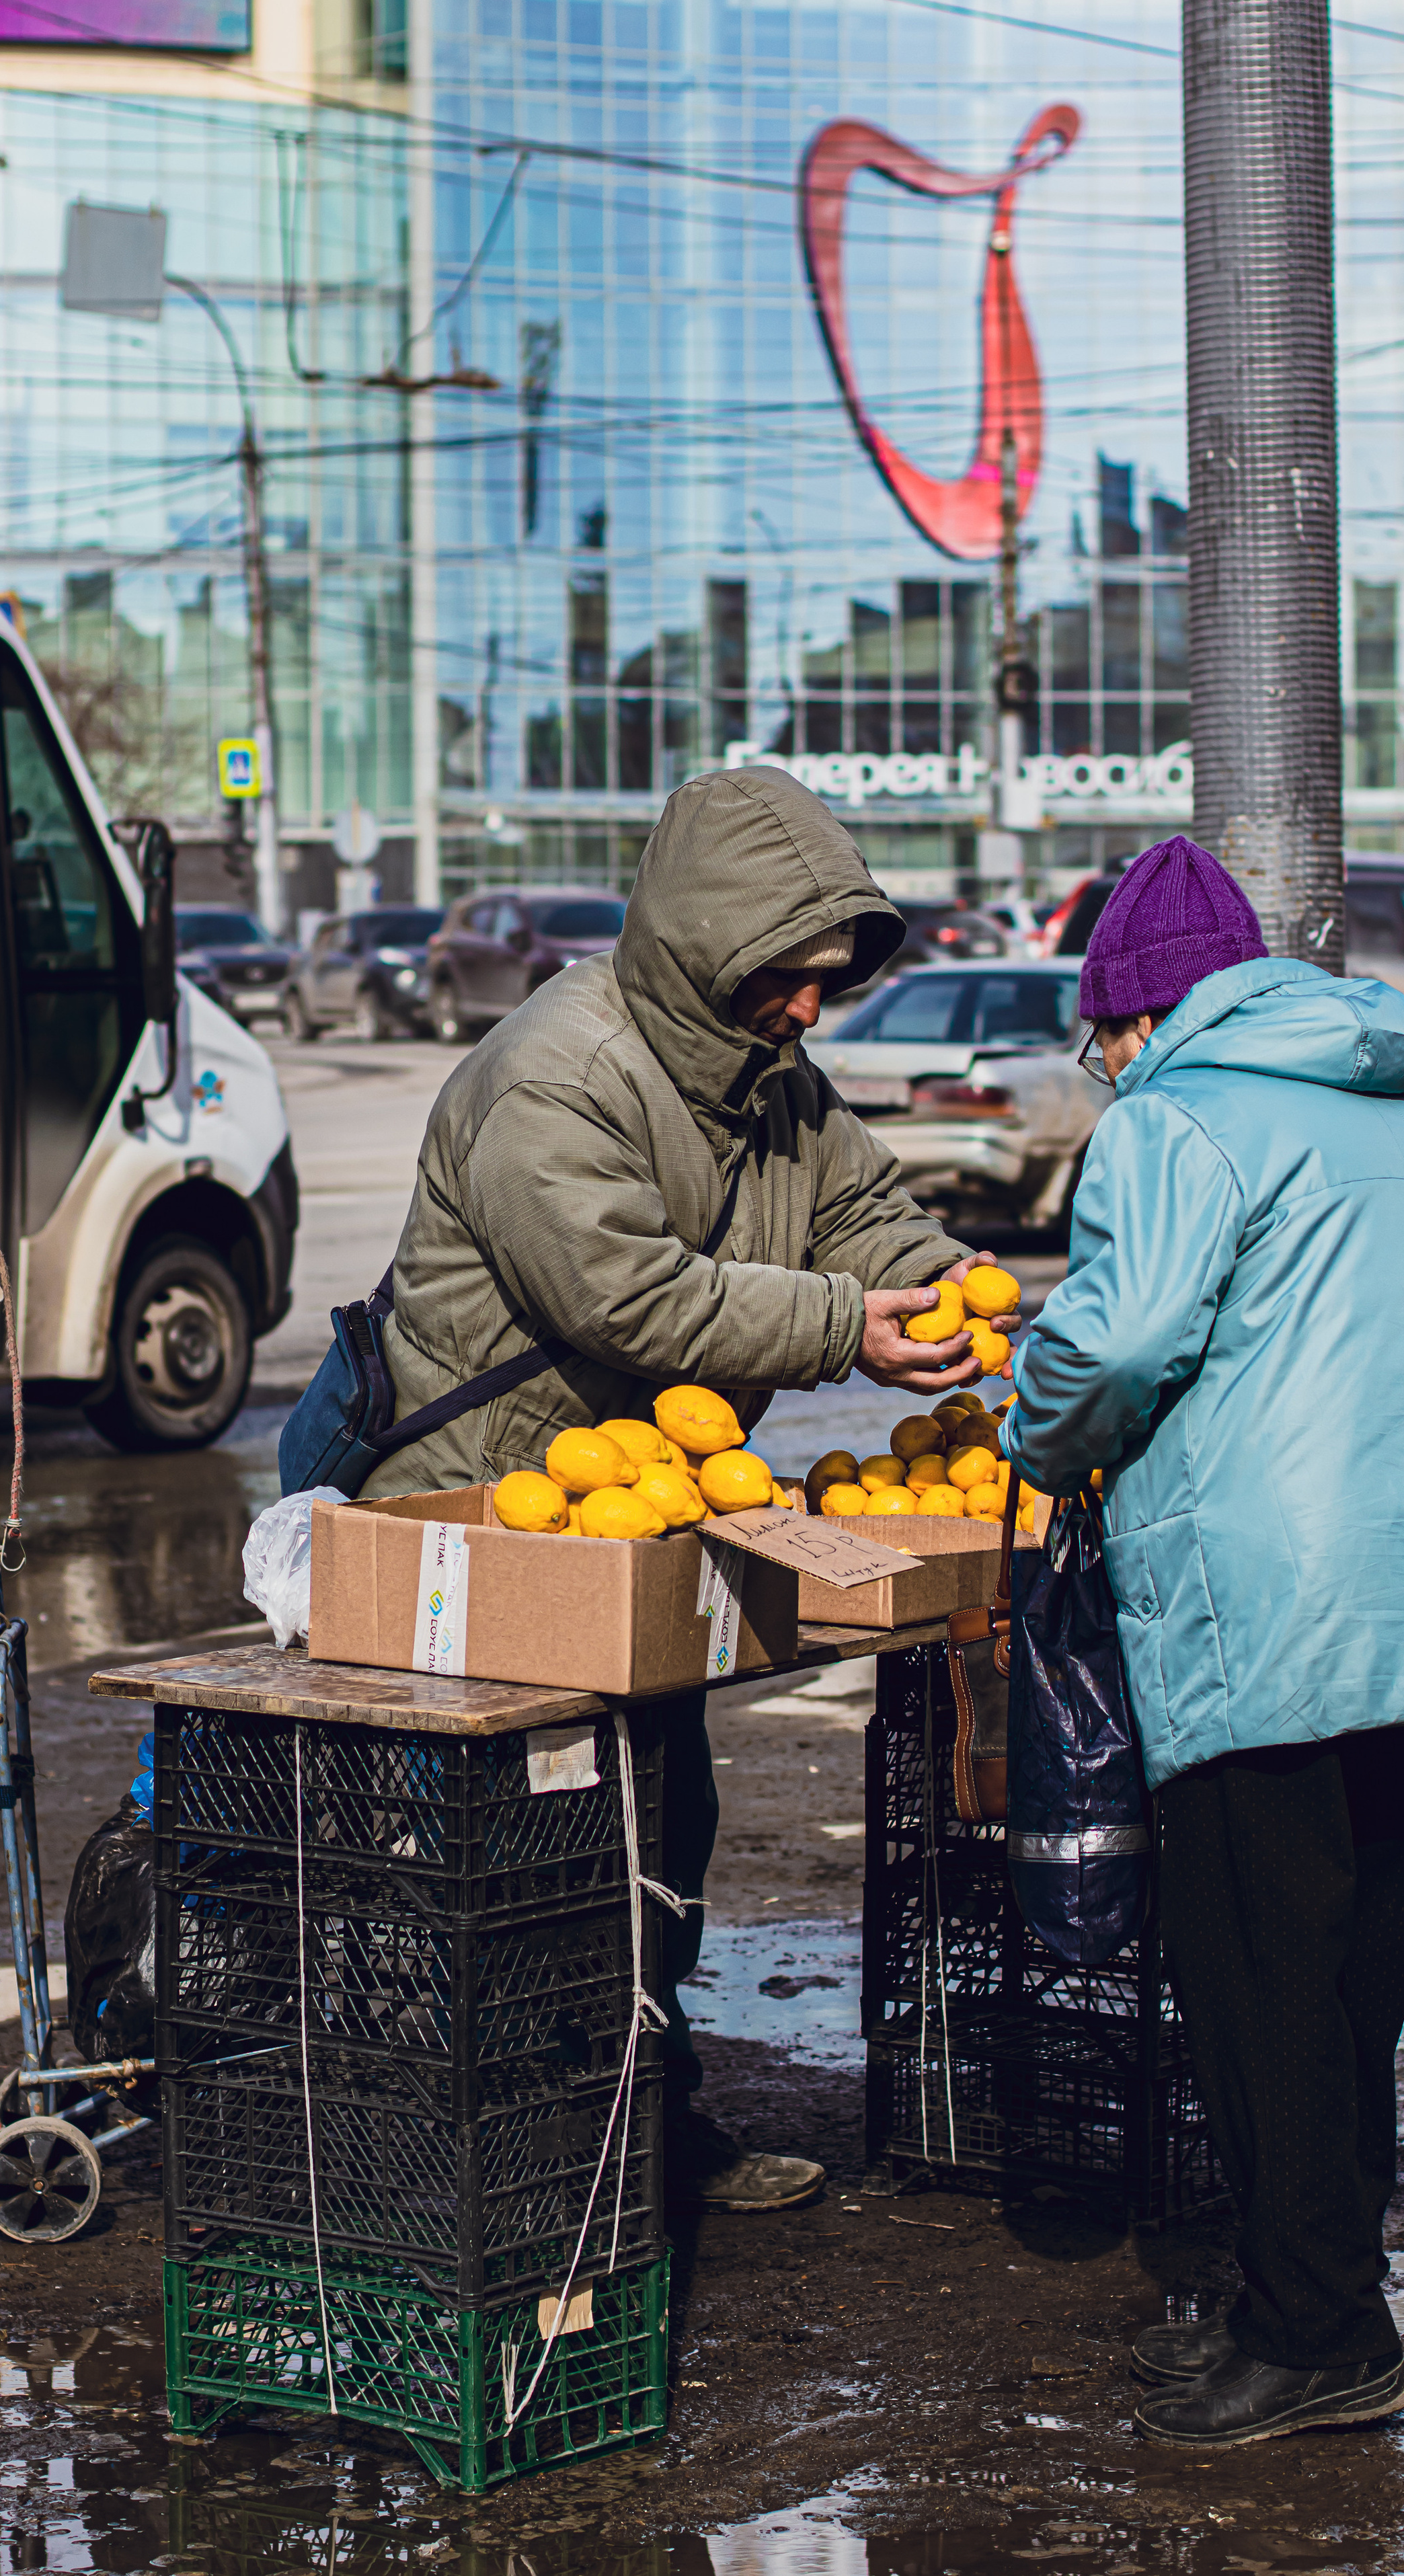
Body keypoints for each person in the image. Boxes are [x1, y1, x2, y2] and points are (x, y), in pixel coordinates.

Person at [368, 764, 1018, 2208]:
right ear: (698, 951)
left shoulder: (770, 1076)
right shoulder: (556, 1071)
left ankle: (642, 2113)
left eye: (824, 982)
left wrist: (943, 1293)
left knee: (662, 1813)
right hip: (491, 1504)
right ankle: (512, 2146)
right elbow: (626, 1300)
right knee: (520, 1838)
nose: (805, 1008)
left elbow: (859, 1207)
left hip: (643, 1511)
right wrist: (840, 1329)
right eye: (780, 979)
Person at [1003, 834, 1404, 2449]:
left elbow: (1109, 1348)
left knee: (1256, 1996)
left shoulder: (1170, 1117)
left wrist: (1034, 1437)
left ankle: (1319, 2333)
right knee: (1345, 1995)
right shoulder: (1394, 1111)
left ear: (1129, 1014)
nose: (1098, 1061)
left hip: (1270, 1626)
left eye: (1094, 1032)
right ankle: (1296, 2296)